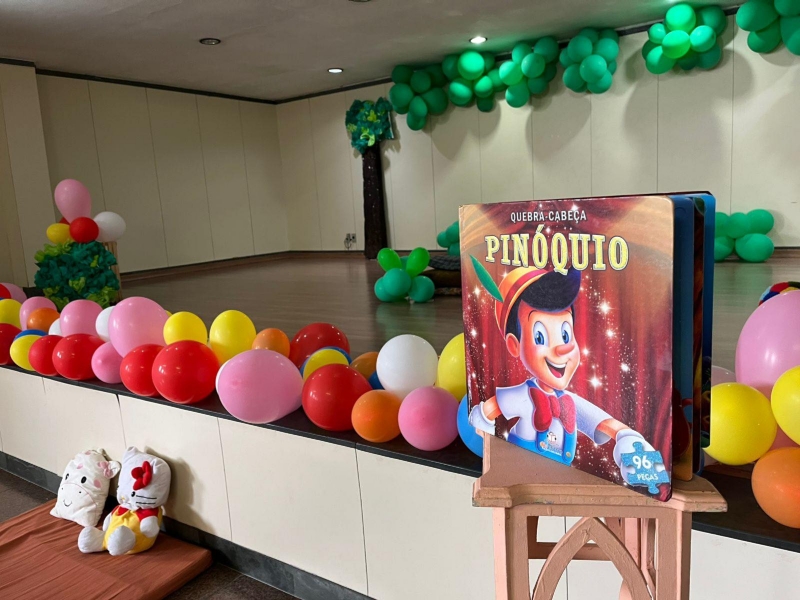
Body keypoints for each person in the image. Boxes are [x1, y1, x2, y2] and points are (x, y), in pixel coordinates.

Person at [469, 267, 665, 481]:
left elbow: (608, 425)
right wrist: (488, 446)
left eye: (565, 335)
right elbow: (485, 414)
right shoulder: (522, 396)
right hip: (521, 474)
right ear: (514, 345)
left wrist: (629, 442)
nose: (562, 350)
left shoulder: (570, 402)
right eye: (540, 337)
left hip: (558, 478)